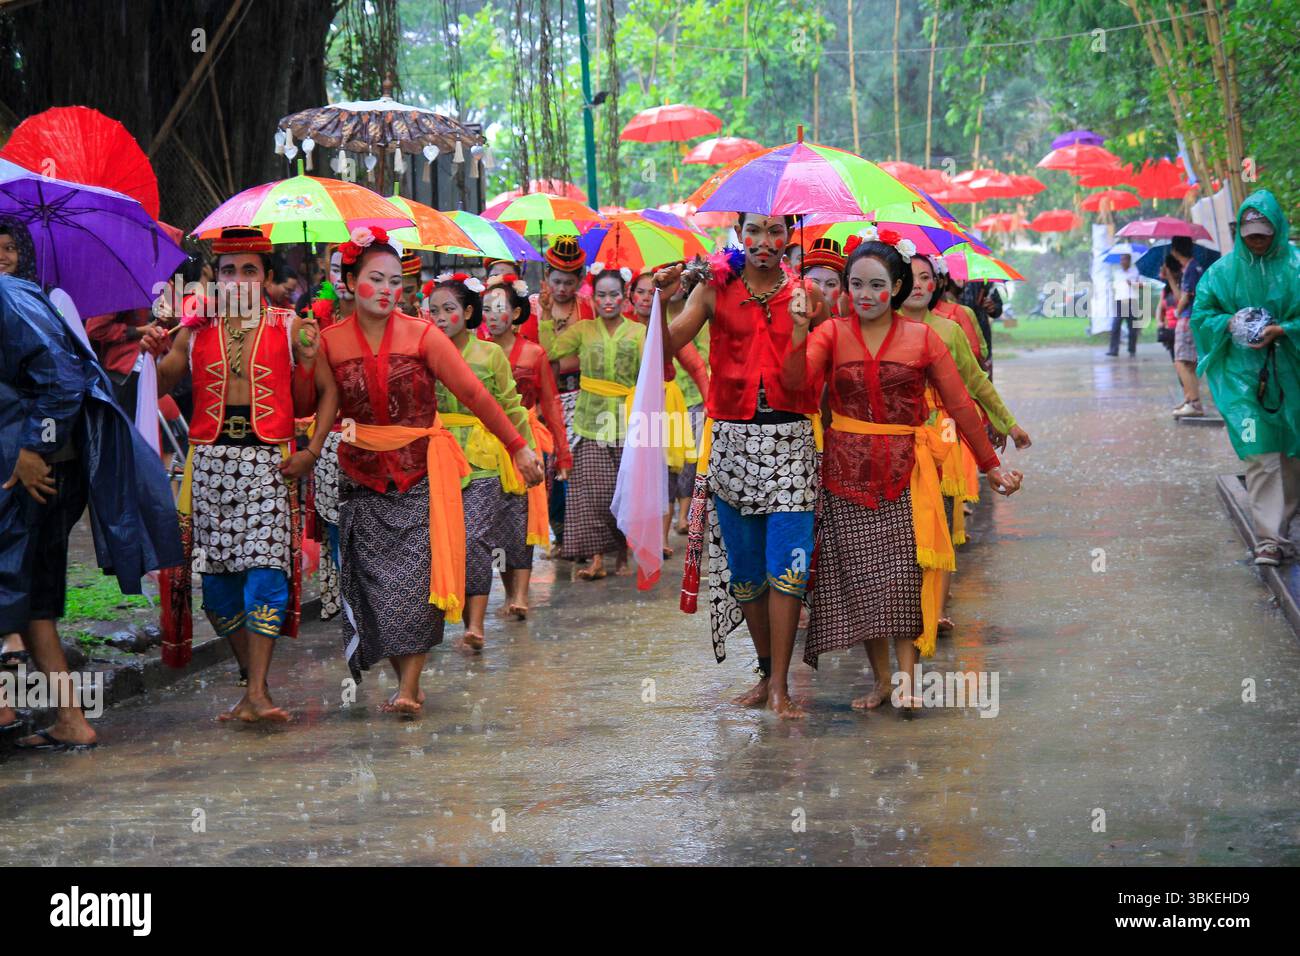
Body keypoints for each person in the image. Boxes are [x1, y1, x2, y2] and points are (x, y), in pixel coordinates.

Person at [781, 236, 1021, 710]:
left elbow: (959, 406)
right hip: (844, 474)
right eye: (856, 285)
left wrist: (991, 466)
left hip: (906, 472)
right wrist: (796, 331)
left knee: (902, 579)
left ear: (896, 288)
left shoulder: (924, 338)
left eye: (876, 285)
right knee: (864, 581)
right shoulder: (829, 334)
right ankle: (882, 680)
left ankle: (909, 683)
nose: (865, 294)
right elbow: (795, 387)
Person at [317, 229, 541, 712]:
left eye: (395, 281)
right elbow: (311, 403)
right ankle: (402, 679)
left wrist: (518, 446)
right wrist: (298, 351)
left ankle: (409, 688)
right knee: (377, 587)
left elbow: (477, 396)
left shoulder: (423, 335)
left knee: (416, 583)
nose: (386, 290)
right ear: (350, 281)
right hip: (359, 476)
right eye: (375, 279)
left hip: (420, 474)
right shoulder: (329, 341)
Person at [142, 227, 332, 722]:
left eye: (250, 270)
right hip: (208, 464)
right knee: (220, 589)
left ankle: (260, 692)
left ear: (267, 278)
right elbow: (164, 381)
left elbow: (328, 394)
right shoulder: (196, 324)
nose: (239, 279)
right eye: (229, 271)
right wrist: (154, 349)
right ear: (216, 277)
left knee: (266, 575)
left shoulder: (293, 326)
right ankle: (253, 687)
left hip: (270, 462)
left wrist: (311, 450)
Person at [655, 214, 829, 719]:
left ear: (790, 235)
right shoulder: (712, 289)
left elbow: (807, 379)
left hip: (792, 444)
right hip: (731, 441)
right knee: (747, 576)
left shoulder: (808, 296)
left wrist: (801, 326)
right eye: (754, 230)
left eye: (776, 232)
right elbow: (669, 342)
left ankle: (780, 686)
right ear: (739, 230)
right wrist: (661, 299)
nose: (764, 243)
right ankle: (765, 668)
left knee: (787, 571)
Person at [1, 268, 182, 750]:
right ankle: (71, 720)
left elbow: (62, 380)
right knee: (36, 603)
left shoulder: (8, 299)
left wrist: (33, 448)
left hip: (36, 474)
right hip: (34, 471)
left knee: (15, 587)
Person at [898, 248, 1031, 631]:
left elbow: (975, 383)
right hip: (896, 439)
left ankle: (937, 609)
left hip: (942, 433)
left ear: (938, 283)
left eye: (926, 278)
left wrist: (1008, 423)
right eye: (911, 276)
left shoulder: (950, 330)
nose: (919, 285)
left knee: (939, 517)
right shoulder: (879, 327)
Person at [426, 272, 536, 650]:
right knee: (441, 540)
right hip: (436, 457)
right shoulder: (423, 351)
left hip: (483, 457)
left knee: (474, 539)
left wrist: (526, 448)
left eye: (449, 309)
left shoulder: (490, 354)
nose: (439, 317)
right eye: (433, 310)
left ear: (468, 311)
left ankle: (474, 625)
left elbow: (510, 404)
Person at [1191, 190, 1300, 567]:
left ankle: (1282, 529)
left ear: (1277, 230)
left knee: (1291, 456)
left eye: (1263, 233)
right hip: (1243, 384)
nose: (1257, 240)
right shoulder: (1222, 273)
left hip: (1292, 378)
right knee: (1260, 454)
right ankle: (1269, 539)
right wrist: (1230, 322)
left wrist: (1283, 331)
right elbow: (1201, 316)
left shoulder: (1297, 267)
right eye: (1251, 234)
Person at [551, 266, 678, 580]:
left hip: (626, 421)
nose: (608, 301)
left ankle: (622, 552)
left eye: (614, 295)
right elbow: (551, 353)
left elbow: (652, 371)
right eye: (602, 295)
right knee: (589, 493)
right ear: (593, 299)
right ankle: (595, 558)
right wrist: (551, 318)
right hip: (588, 420)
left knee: (620, 492)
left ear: (625, 299)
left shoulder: (638, 332)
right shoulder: (583, 330)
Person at [482, 271, 571, 617]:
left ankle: (520, 592)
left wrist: (562, 453)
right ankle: (508, 591)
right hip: (487, 445)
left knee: (523, 518)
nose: (491, 315)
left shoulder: (534, 355)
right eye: (486, 308)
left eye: (499, 308)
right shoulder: (477, 352)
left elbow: (551, 404)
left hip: (528, 444)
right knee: (498, 522)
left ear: (516, 314)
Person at [628, 269, 709, 545]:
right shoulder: (619, 328)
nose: (645, 297)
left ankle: (659, 539)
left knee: (664, 472)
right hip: (623, 410)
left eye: (652, 292)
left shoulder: (667, 329)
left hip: (663, 408)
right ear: (630, 295)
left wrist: (710, 401)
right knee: (631, 475)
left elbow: (697, 366)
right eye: (640, 291)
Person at [534, 237, 593, 549]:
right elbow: (535, 354)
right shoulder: (532, 307)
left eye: (569, 283)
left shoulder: (587, 308)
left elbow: (589, 353)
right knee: (550, 464)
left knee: (577, 464)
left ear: (580, 281)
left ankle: (577, 535)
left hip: (580, 393)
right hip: (543, 398)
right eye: (556, 281)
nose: (562, 289)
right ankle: (558, 532)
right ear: (546, 277)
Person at [1170, 236, 1206, 417]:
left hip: (1187, 319)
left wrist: (1177, 311)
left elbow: (1184, 298)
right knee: (1190, 363)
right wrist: (1170, 278)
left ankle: (1193, 402)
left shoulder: (1191, 269)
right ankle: (1192, 400)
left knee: (1181, 362)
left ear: (1175, 251)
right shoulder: (1196, 266)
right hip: (1195, 319)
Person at [1106, 253, 1142, 357]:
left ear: (1129, 261)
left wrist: (1132, 284)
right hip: (1120, 301)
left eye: (1124, 260)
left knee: (1132, 327)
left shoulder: (1135, 272)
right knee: (1115, 326)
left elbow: (1142, 285)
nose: (1122, 262)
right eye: (1121, 260)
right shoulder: (1117, 273)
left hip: (1132, 301)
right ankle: (1113, 350)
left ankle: (1132, 350)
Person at [802, 237, 847, 316]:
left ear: (841, 290)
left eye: (831, 284)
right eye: (814, 283)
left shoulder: (846, 327)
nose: (821, 290)